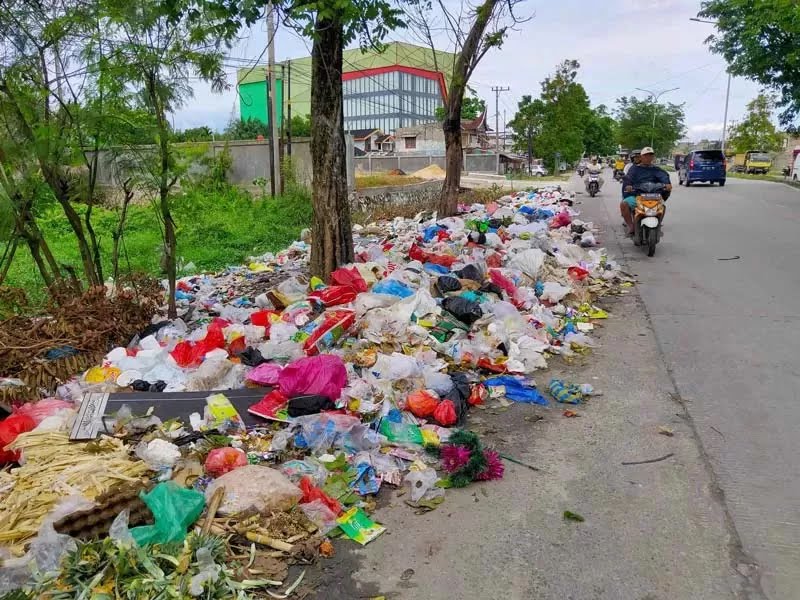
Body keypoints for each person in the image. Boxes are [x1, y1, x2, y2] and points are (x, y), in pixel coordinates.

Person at [620, 147, 671, 235]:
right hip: (637, 195)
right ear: (641, 157)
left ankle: (658, 226)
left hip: (654, 196)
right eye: (646, 156)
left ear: (653, 157)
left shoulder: (656, 169)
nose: (648, 158)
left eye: (650, 155)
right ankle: (631, 226)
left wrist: (667, 184)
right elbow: (628, 178)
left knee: (662, 207)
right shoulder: (634, 169)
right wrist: (628, 185)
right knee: (624, 204)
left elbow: (664, 176)